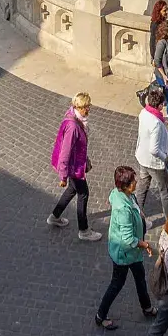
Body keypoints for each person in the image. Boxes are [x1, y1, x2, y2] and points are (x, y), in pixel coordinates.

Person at [95, 166, 156, 330]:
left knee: (140, 277)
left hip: (133, 253)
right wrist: (145, 244)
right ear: (125, 186)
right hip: (124, 253)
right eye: (133, 181)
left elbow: (127, 203)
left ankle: (147, 307)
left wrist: (140, 217)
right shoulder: (123, 209)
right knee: (117, 284)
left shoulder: (121, 194)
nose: (136, 182)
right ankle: (100, 315)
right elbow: (128, 239)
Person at [46, 92, 102, 240]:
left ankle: (55, 216)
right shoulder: (73, 127)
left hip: (75, 164)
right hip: (73, 168)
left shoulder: (75, 118)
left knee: (72, 189)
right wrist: (63, 176)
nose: (88, 109)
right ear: (78, 107)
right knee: (83, 194)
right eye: (86, 107)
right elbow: (65, 153)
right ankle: (84, 231)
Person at [135, 85, 168, 224]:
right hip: (154, 163)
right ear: (160, 105)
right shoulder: (156, 123)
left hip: (142, 157)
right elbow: (154, 149)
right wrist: (164, 157)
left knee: (142, 188)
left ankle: (137, 217)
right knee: (165, 192)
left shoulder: (143, 113)